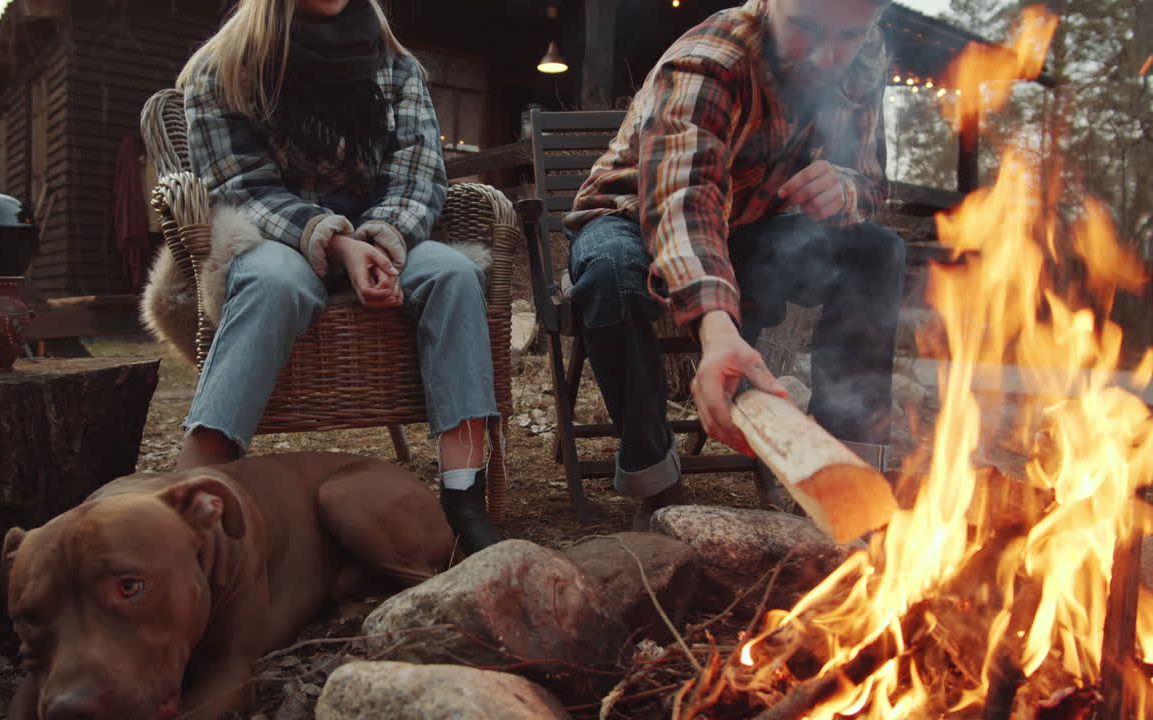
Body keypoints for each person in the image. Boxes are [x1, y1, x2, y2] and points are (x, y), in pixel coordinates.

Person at [171, 0, 500, 553]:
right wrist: (335, 242)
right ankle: (194, 486)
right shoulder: (224, 69)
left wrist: (378, 239)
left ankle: (464, 497)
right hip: (278, 238)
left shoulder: (396, 67)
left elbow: (419, 175)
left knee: (454, 273)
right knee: (272, 282)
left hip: (383, 234)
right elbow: (239, 188)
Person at [563, 0, 904, 528]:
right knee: (612, 276)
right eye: (807, 29)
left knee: (876, 251)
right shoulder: (708, 60)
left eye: (847, 37)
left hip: (742, 226)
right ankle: (657, 483)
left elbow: (871, 180)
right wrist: (718, 329)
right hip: (627, 215)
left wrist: (844, 188)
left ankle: (842, 476)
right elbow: (684, 204)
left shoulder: (864, 53)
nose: (825, 55)